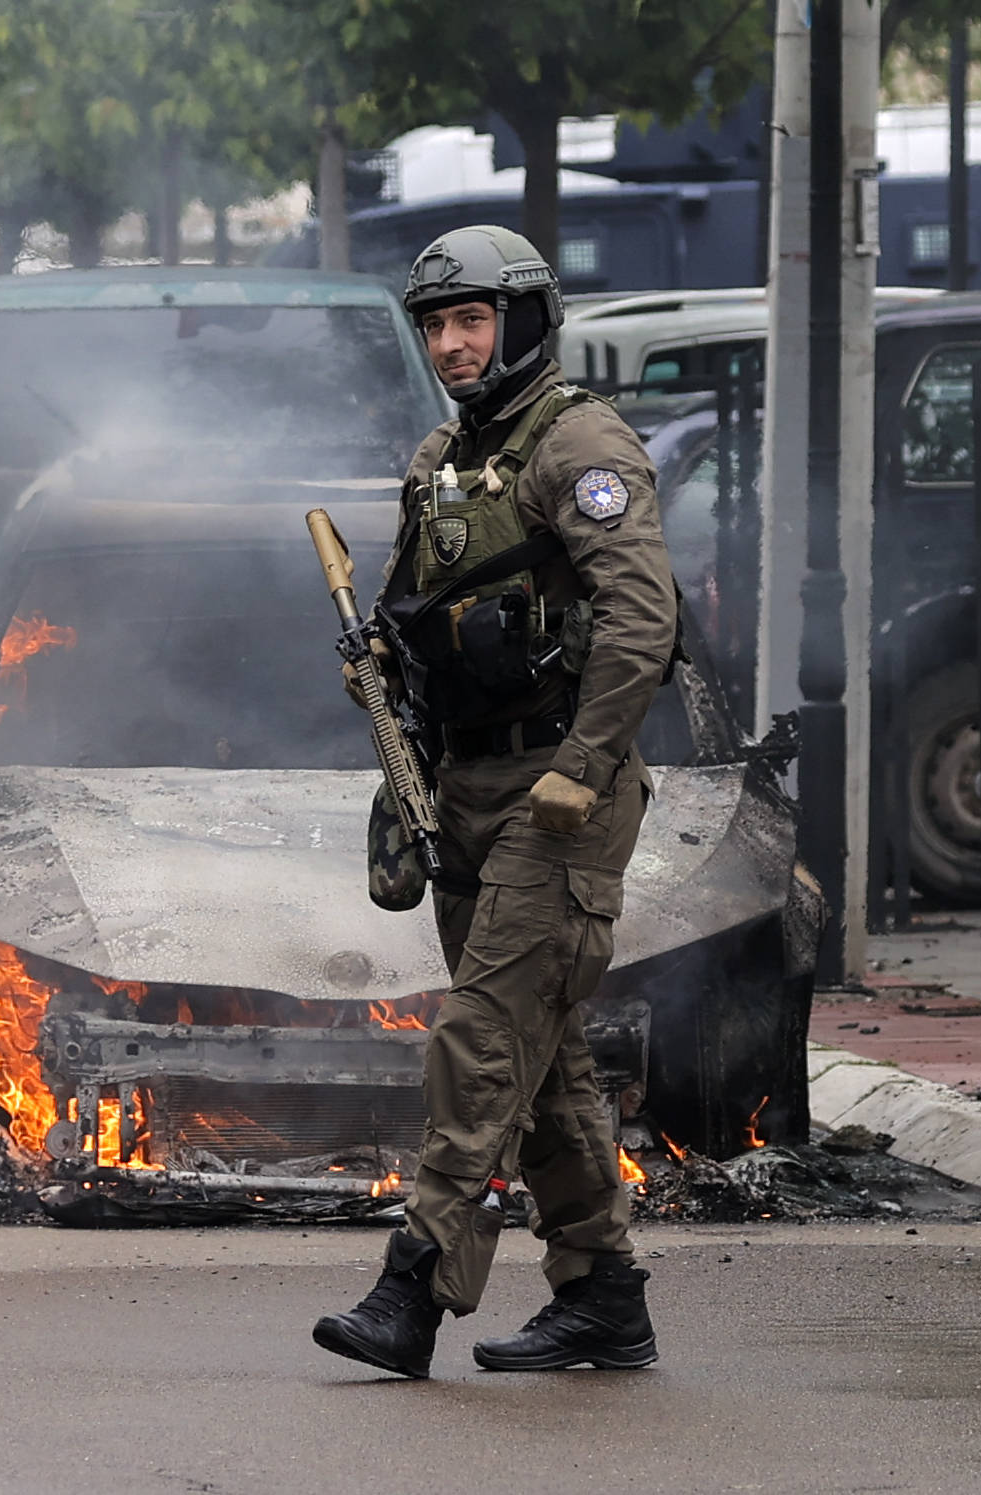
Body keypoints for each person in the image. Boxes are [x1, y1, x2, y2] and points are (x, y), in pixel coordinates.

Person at [312, 226, 679, 1378]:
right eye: (434, 326)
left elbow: (639, 620)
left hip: (558, 792)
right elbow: (412, 621)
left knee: (477, 1040)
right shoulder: (436, 462)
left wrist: (580, 765)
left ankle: (410, 1288)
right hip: (462, 786)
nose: (449, 345)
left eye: (469, 321)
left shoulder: (579, 444)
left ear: (521, 321)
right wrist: (385, 687)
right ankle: (602, 1296)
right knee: (545, 1057)